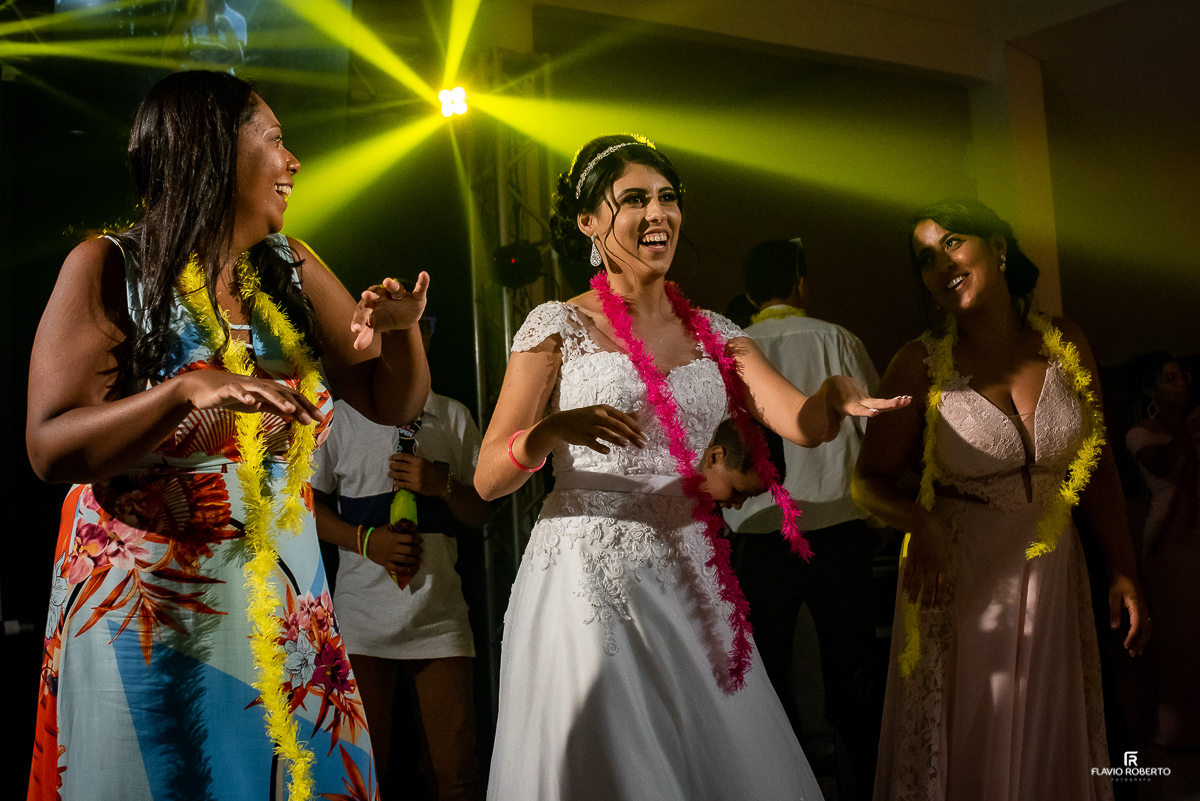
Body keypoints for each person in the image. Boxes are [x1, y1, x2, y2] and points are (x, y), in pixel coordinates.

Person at [25, 70, 431, 800]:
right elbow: (50, 444)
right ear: (212, 152)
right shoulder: (110, 267)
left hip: (285, 615)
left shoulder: (291, 267)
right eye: (274, 139)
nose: (294, 160)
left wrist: (401, 336)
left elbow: (391, 397)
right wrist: (184, 391)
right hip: (153, 619)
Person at [474, 133, 909, 801]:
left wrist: (833, 396)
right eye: (636, 200)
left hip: (688, 572)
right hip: (583, 575)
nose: (658, 213)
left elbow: (801, 422)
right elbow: (487, 477)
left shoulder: (713, 331)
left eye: (668, 197)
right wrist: (552, 429)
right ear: (590, 223)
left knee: (717, 756)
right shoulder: (554, 324)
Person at [852, 199, 1150, 801]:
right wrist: (922, 524)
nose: (941, 265)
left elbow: (1100, 471)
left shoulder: (1067, 344)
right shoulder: (919, 364)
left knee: (1048, 731)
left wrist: (1122, 568)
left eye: (954, 242)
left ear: (1000, 248)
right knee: (975, 734)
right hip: (959, 579)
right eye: (925, 259)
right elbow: (868, 481)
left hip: (1053, 572)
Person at [725, 238, 881, 800]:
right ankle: (861, 787)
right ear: (801, 284)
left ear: (748, 293)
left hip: (762, 532)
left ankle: (779, 787)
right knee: (854, 676)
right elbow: (874, 430)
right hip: (839, 527)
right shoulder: (837, 339)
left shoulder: (731, 349)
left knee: (765, 675)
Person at [311, 318, 492, 801]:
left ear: (426, 337)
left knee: (458, 777)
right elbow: (304, 508)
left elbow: (480, 512)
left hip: (440, 617)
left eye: (415, 326)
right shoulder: (341, 417)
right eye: (383, 328)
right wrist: (369, 542)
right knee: (359, 774)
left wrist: (442, 485)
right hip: (362, 620)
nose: (399, 339)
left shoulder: (453, 417)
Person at [1125, 353, 1200, 748]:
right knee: (1180, 637)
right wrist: (1187, 433)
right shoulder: (1140, 433)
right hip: (1170, 543)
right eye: (1170, 378)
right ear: (1150, 390)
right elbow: (1166, 470)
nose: (1181, 383)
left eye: (1183, 376)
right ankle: (1177, 731)